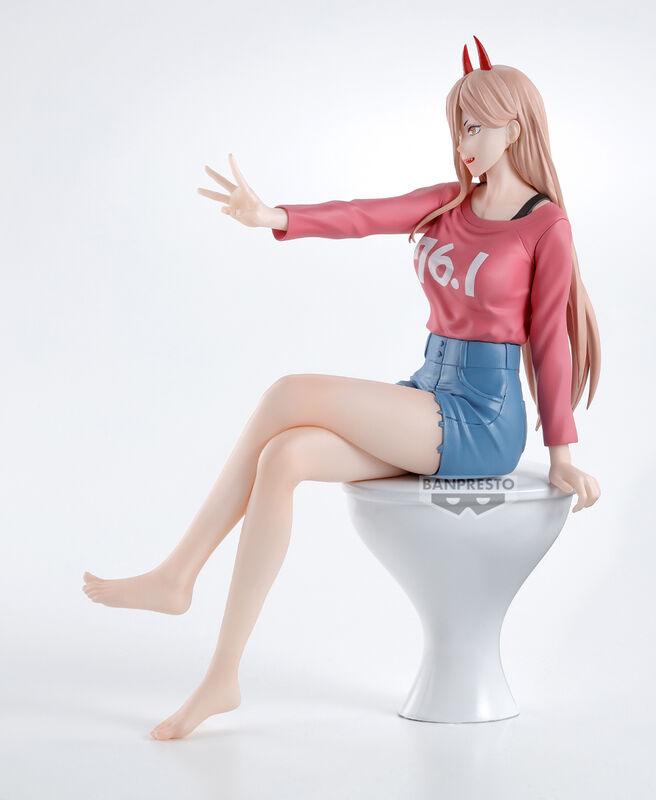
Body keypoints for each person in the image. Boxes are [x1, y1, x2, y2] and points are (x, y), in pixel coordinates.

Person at [82, 35, 601, 740]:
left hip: (482, 417)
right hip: (429, 390)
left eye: (475, 126)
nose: (464, 143)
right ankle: (222, 676)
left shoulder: (545, 226)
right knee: (285, 456)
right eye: (458, 128)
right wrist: (275, 217)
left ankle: (178, 574)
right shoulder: (449, 203)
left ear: (515, 126)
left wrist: (563, 452)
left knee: (289, 392)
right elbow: (364, 214)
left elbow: (549, 338)